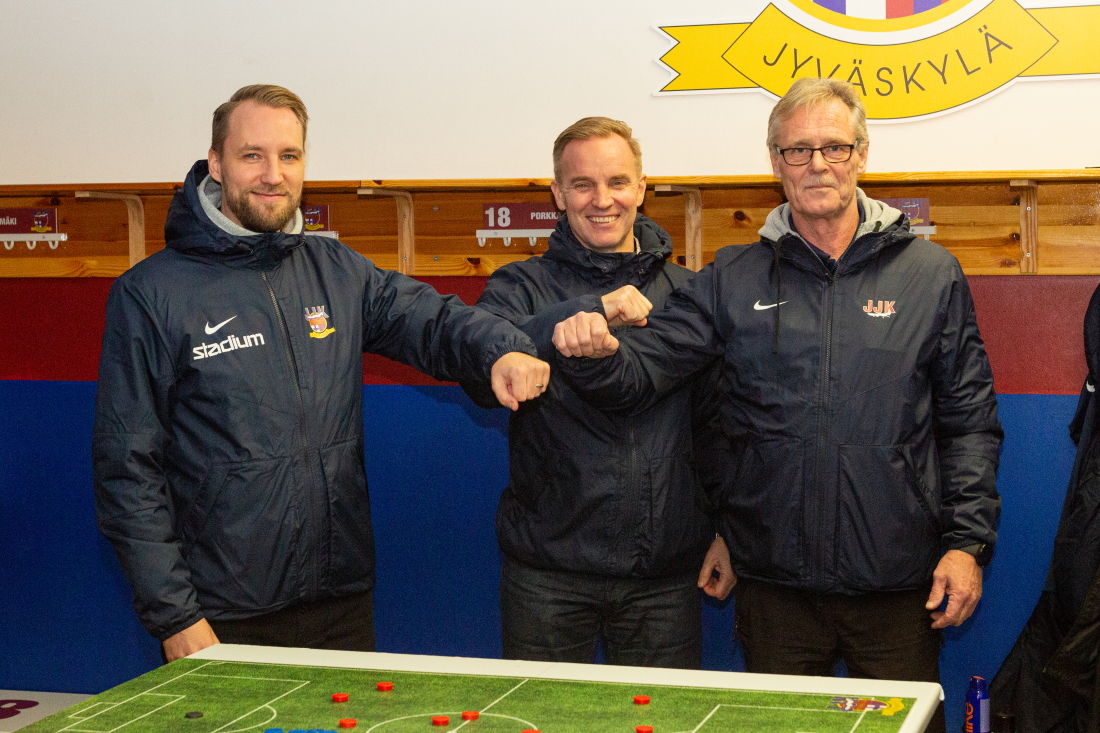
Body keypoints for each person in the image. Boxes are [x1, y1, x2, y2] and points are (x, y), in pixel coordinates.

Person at [551, 78, 1001, 728]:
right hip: (775, 588)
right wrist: (591, 348)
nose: (817, 164)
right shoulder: (731, 278)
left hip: (898, 584)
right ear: (775, 162)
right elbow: (647, 375)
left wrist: (966, 545)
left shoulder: (930, 275)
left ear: (861, 155)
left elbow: (970, 424)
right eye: (797, 150)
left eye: (834, 147)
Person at [93, 84, 549, 663]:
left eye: (289, 155)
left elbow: (431, 320)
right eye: (252, 155)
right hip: (221, 613)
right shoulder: (151, 294)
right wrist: (175, 616)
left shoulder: (337, 270)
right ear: (216, 163)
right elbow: (126, 469)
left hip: (339, 602)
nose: (273, 175)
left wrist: (499, 350)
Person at [460, 117, 734, 670]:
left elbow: (718, 425)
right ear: (558, 194)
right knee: (537, 714)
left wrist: (729, 532)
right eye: (582, 185)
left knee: (663, 715)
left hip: (663, 580)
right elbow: (476, 371)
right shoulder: (519, 286)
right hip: (548, 577)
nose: (602, 200)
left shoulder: (688, 293)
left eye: (617, 182)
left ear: (641, 187)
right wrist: (588, 311)